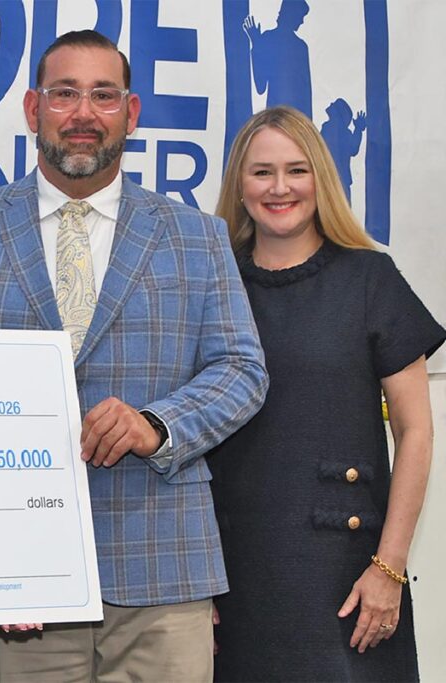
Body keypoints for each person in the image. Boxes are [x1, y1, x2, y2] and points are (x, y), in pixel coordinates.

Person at [0, 30, 268, 682]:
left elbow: (243, 368)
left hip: (161, 568)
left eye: (103, 95)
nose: (82, 114)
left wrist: (156, 423)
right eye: (64, 94)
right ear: (31, 109)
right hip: (13, 578)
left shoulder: (197, 237)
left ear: (130, 114)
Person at [208, 105, 444, 681]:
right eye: (262, 172)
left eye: (297, 170)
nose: (280, 187)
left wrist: (388, 568)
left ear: (321, 179)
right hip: (235, 575)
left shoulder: (370, 279)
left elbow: (414, 432)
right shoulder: (211, 285)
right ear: (239, 186)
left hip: (350, 576)